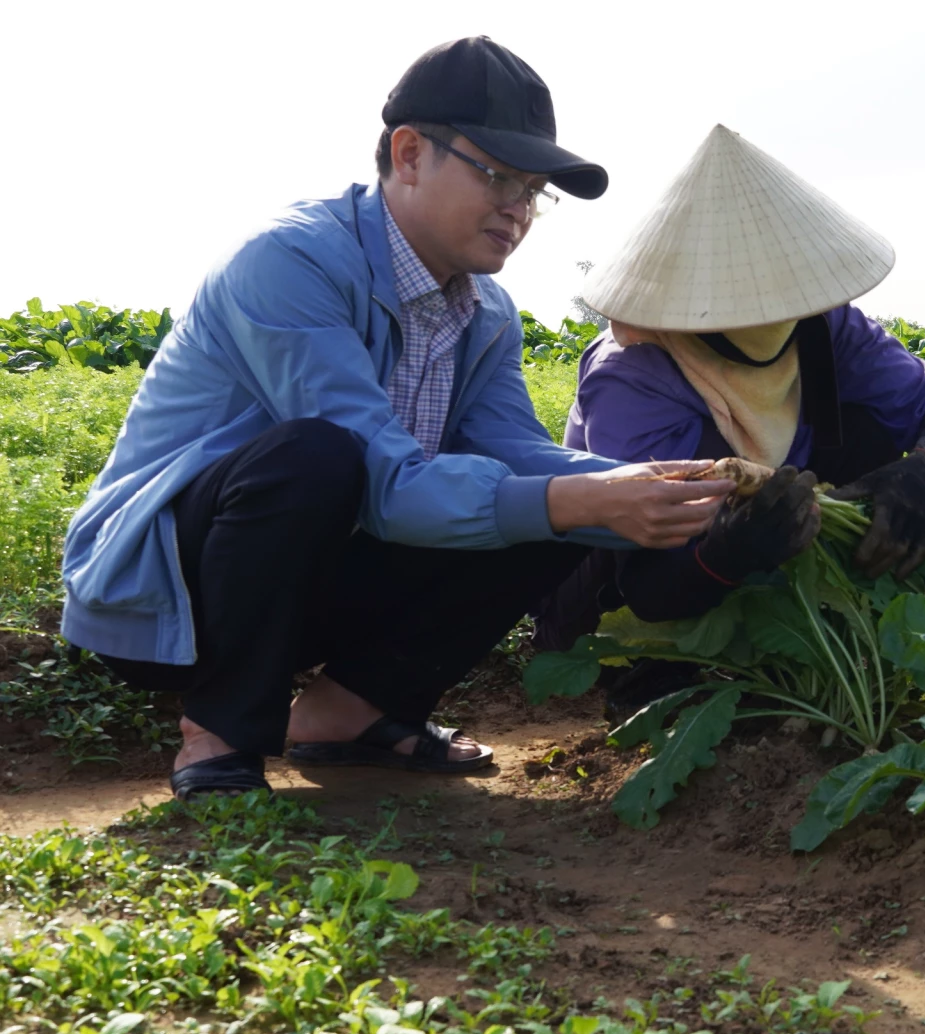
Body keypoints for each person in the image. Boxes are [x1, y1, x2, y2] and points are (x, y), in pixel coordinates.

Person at [60, 37, 733, 800]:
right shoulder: (292, 261)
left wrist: (668, 489)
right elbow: (377, 476)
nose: (519, 208)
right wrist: (577, 498)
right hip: (172, 597)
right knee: (317, 455)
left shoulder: (485, 312)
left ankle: (348, 712)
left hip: (315, 578)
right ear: (409, 153)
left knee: (549, 503)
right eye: (500, 176)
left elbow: (513, 449)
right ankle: (219, 732)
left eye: (534, 189)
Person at [533, 125, 925, 669]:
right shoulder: (635, 371)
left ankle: (831, 617)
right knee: (660, 650)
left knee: (870, 430)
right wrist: (731, 552)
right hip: (622, 586)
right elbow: (647, 574)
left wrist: (923, 472)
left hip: (760, 553)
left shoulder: (824, 326)